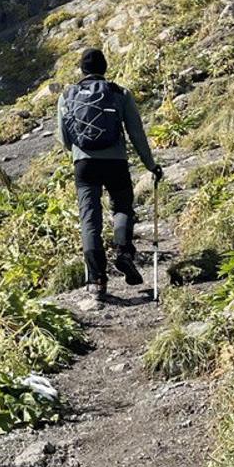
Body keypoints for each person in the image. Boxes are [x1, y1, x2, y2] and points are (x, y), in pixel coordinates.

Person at [57, 48, 163, 309]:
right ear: (105, 68)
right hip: (116, 161)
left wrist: (80, 152)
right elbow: (137, 133)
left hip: (84, 164)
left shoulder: (66, 95)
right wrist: (150, 165)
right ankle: (123, 251)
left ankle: (96, 283)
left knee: (89, 220)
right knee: (122, 207)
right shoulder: (119, 93)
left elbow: (63, 138)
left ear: (82, 70)